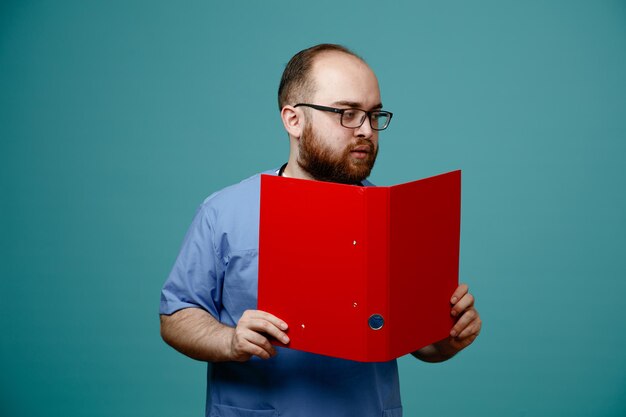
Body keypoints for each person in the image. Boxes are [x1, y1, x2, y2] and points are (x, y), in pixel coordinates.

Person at [160, 43, 482, 417]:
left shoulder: (396, 218)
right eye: (346, 113)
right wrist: (230, 340)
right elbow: (177, 314)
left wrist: (450, 337)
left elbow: (421, 344)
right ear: (293, 119)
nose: (365, 130)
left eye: (373, 115)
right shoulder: (224, 211)